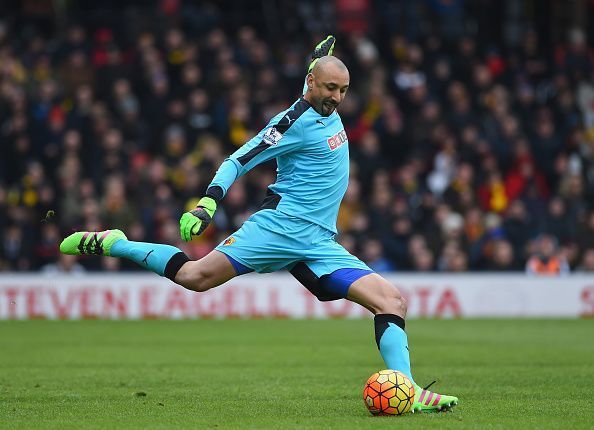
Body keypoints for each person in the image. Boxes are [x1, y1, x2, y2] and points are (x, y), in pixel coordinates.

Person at [59, 36, 458, 413]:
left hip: (318, 242)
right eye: (329, 88)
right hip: (277, 228)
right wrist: (207, 204)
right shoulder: (293, 120)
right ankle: (115, 242)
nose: (336, 98)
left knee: (392, 302)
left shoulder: (322, 103)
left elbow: (318, 84)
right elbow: (238, 159)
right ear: (311, 82)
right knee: (196, 277)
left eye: (343, 90)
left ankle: (407, 390)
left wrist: (316, 57)